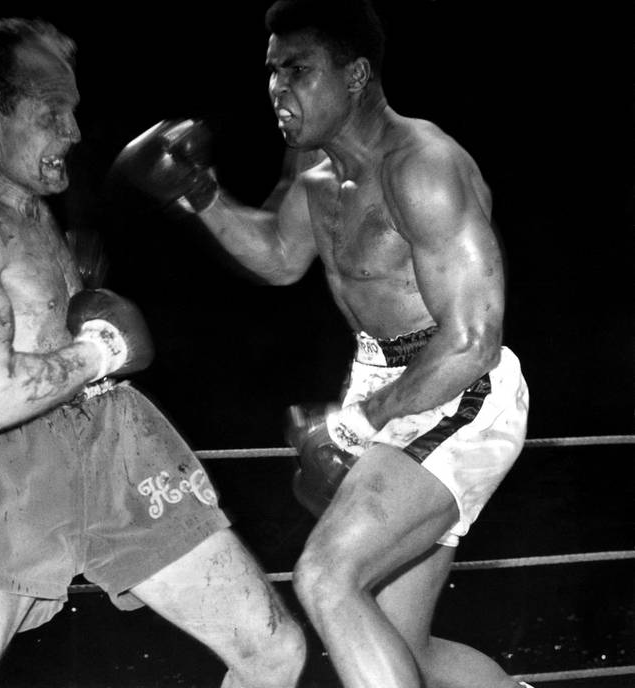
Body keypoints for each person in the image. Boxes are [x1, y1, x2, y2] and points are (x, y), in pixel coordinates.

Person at [109, 0, 532, 686]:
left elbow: (474, 341)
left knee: (326, 578)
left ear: (357, 74)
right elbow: (279, 255)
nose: (279, 87)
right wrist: (198, 193)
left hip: (457, 388)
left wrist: (359, 423)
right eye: (272, 70)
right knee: (402, 646)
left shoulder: (423, 168)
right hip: (380, 383)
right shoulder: (313, 169)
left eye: (298, 70)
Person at [0, 17, 305, 688]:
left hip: (111, 441)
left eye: (74, 111)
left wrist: (83, 296)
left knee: (274, 652)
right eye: (52, 114)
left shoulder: (30, 207)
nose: (75, 132)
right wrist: (105, 348)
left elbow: (34, 320)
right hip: (4, 468)